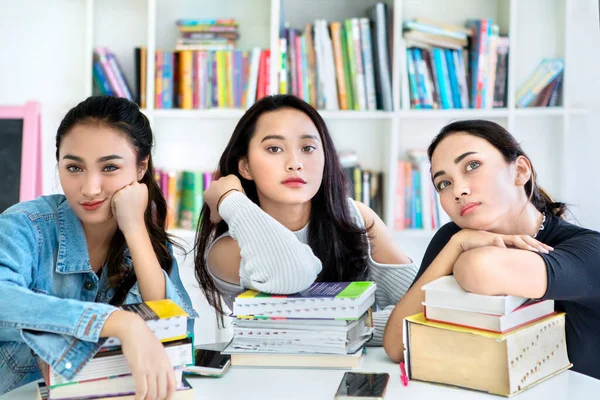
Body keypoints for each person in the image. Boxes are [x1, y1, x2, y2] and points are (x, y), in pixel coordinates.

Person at [0, 96, 197, 397]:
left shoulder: (145, 244)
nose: (90, 188)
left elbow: (177, 334)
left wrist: (134, 229)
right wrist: (118, 322)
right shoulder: (25, 226)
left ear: (141, 167)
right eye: (74, 168)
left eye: (109, 168)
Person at [382, 119, 600, 380]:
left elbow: (479, 269)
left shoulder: (588, 250)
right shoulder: (455, 238)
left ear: (520, 170)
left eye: (472, 166)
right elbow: (396, 345)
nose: (458, 191)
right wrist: (457, 244)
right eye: (444, 183)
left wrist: (462, 250)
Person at [193, 94, 418, 345]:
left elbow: (421, 308)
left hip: (360, 378)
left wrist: (333, 328)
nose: (295, 163)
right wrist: (230, 200)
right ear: (244, 167)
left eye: (308, 148)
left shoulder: (356, 218)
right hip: (269, 381)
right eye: (274, 149)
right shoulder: (229, 249)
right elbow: (293, 273)